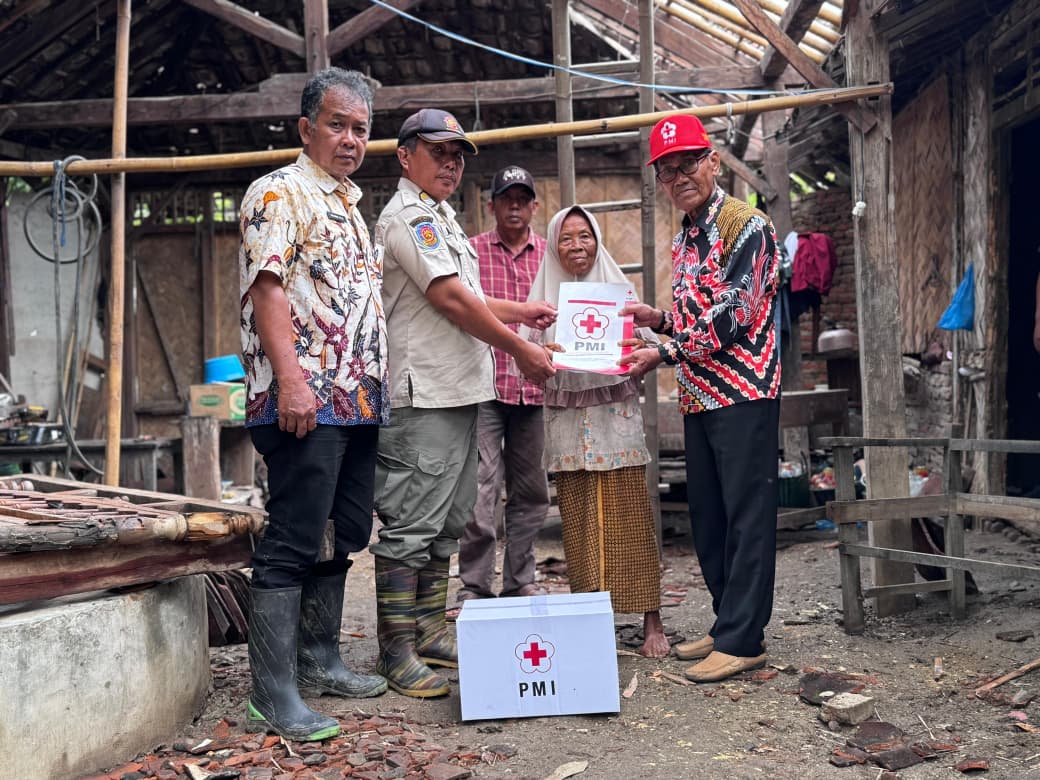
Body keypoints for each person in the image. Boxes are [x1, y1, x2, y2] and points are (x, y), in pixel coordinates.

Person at [372, 109, 557, 698]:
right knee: (411, 524)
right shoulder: (409, 219)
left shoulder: (444, 220)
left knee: (449, 523)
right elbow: (451, 300)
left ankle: (427, 628)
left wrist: (523, 314)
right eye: (439, 152)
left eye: (457, 156)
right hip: (422, 394)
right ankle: (395, 648)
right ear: (406, 156)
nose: (451, 164)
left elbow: (472, 297)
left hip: (461, 392)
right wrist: (521, 351)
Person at [238, 67, 388, 742]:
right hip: (304, 399)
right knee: (294, 539)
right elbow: (269, 290)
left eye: (360, 128)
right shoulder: (280, 193)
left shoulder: (348, 206)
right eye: (337, 124)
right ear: (306, 128)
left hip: (355, 402)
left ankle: (320, 660)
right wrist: (292, 382)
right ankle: (272, 694)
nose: (350, 138)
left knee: (346, 530)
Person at [620, 113, 782, 682]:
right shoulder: (687, 235)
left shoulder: (749, 226)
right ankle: (725, 622)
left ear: (712, 161)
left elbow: (735, 314)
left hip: (743, 392)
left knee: (747, 517)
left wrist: (664, 352)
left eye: (687, 162)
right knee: (709, 518)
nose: (678, 175)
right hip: (699, 395)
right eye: (666, 170)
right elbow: (696, 314)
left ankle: (745, 639)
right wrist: (659, 320)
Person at [526, 204, 670, 659]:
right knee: (581, 523)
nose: (577, 246)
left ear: (597, 241)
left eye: (584, 236)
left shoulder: (618, 293)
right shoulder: (543, 301)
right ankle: (591, 622)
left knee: (632, 518)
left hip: (616, 424)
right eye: (566, 238)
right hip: (569, 429)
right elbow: (527, 365)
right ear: (553, 245)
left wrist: (638, 353)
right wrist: (541, 352)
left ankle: (651, 619)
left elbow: (642, 351)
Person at [456, 165, 551, 607]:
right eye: (505, 198)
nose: (514, 205)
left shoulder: (550, 256)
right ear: (490, 205)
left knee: (531, 491)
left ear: (534, 206)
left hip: (534, 390)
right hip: (487, 387)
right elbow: (462, 308)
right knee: (481, 489)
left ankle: (520, 580)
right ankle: (474, 585)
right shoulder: (470, 253)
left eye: (522, 198)